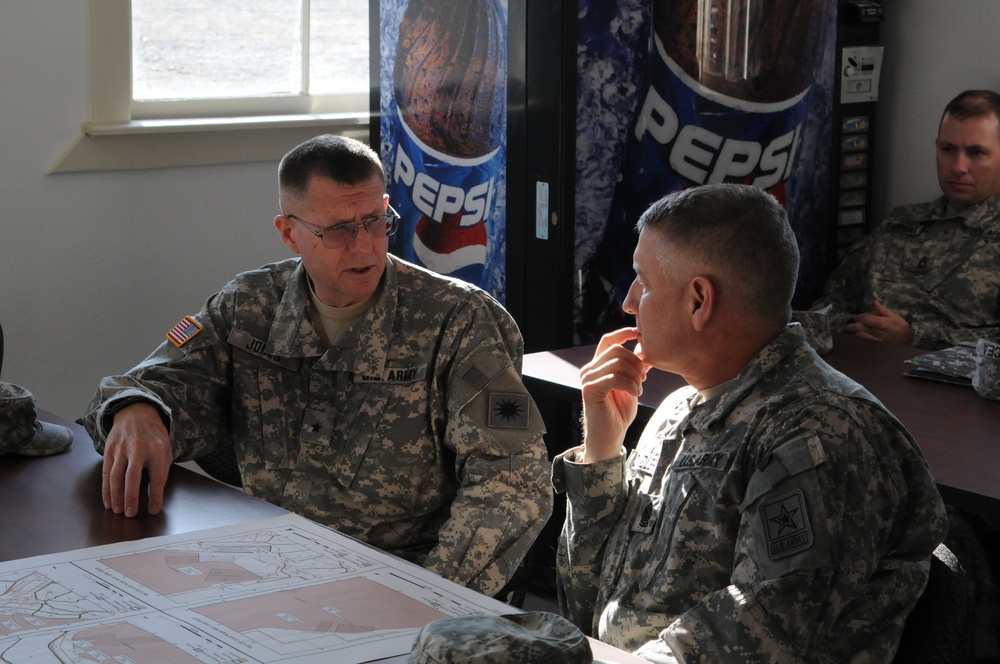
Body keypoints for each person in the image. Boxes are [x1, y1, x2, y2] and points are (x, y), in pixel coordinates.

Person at [80, 134, 553, 598]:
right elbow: (162, 384)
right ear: (289, 233)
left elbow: (512, 484)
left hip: (398, 579)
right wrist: (138, 408)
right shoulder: (249, 307)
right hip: (263, 566)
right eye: (339, 230)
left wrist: (432, 601)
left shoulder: (458, 322)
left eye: (374, 221)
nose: (365, 246)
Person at [553, 183, 947, 662]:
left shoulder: (820, 432)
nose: (630, 302)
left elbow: (759, 637)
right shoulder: (681, 411)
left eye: (644, 281)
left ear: (700, 300)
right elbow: (584, 606)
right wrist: (602, 452)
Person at [812, 89, 1000, 349]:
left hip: (945, 383)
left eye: (976, 153)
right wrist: (855, 325)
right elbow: (826, 307)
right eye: (948, 149)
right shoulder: (900, 223)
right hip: (856, 367)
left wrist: (915, 337)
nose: (958, 166)